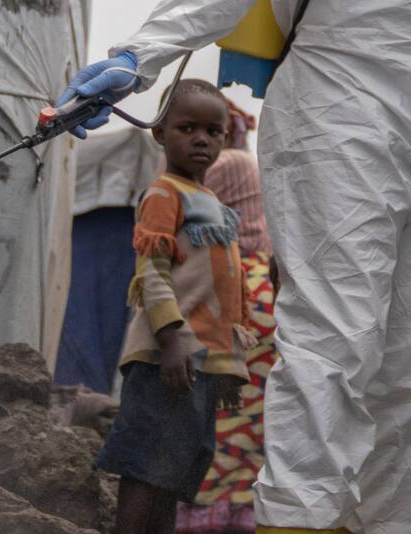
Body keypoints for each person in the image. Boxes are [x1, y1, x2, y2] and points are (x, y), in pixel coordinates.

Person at [60, 1, 411, 532]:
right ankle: (298, 521)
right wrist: (139, 54)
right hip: (341, 107)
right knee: (334, 343)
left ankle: (377, 525)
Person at [95, 79, 251, 534]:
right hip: (168, 357)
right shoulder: (164, 193)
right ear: (160, 133)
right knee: (146, 467)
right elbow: (152, 271)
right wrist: (171, 337)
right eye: (187, 128)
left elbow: (220, 285)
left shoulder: (218, 205)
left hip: (199, 364)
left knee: (174, 473)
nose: (201, 139)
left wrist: (226, 360)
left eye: (213, 131)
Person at [176, 98, 276, 534]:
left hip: (229, 282)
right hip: (268, 289)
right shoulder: (254, 163)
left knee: (213, 425)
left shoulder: (223, 169)